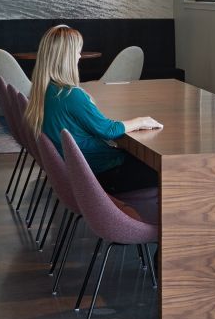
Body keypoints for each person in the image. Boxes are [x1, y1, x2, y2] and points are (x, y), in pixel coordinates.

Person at [25, 25, 162, 195]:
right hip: (102, 173)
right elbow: (108, 130)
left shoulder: (44, 90)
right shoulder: (70, 95)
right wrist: (141, 121)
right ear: (66, 58)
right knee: (169, 171)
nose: (79, 56)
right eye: (77, 51)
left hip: (80, 173)